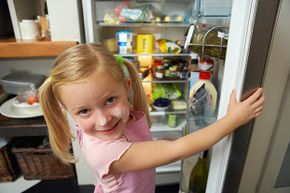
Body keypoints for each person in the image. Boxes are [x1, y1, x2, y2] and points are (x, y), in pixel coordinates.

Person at [38, 43, 265, 193]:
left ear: (127, 89)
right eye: (84, 111)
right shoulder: (104, 151)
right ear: (70, 112)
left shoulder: (105, 123)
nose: (103, 120)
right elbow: (178, 148)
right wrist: (232, 120)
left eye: (110, 101)